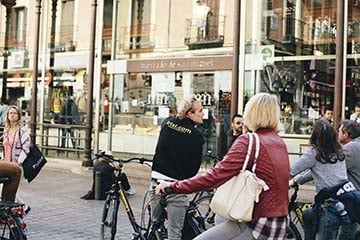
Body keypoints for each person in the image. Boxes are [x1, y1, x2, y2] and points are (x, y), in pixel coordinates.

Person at [156, 93, 290, 239]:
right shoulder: (279, 142)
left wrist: (173, 186)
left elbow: (215, 176)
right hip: (279, 223)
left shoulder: (249, 141)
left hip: (257, 224)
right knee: (219, 220)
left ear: (251, 113)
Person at [150, 97, 205, 240]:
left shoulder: (167, 123)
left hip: (156, 184)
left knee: (154, 226)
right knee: (174, 233)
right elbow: (193, 169)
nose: (203, 113)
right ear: (189, 114)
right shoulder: (196, 136)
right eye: (200, 110)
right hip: (176, 187)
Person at [289, 119, 348, 240]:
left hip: (330, 205)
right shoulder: (338, 151)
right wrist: (297, 180)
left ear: (314, 135)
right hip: (345, 200)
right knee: (307, 215)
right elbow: (317, 171)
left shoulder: (314, 153)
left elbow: (290, 171)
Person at [2, 105, 31, 212]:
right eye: (10, 113)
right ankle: (20, 208)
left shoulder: (22, 131)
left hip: (17, 165)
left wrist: (19, 162)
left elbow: (26, 149)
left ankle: (23, 207)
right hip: (6, 164)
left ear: (19, 116)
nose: (12, 115)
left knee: (11, 190)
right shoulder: (6, 130)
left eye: (14, 113)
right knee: (6, 190)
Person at [337, 120, 360, 239]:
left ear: (346, 134)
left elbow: (333, 168)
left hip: (353, 200)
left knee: (345, 235)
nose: (338, 133)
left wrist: (297, 179)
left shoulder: (350, 149)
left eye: (339, 131)